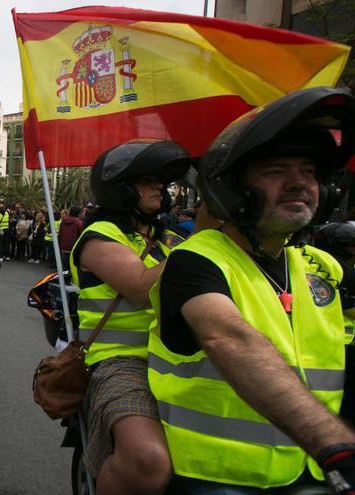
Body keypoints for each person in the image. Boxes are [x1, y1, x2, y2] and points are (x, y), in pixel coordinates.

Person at [149, 87, 355, 493]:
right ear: (235, 190)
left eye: (309, 172)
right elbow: (229, 337)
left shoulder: (319, 266)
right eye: (276, 171)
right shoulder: (197, 260)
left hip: (314, 473)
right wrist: (334, 443)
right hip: (220, 477)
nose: (299, 183)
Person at [70, 139, 190, 495]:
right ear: (120, 188)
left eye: (162, 182)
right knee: (147, 459)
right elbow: (140, 287)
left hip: (177, 358)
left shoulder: (164, 240)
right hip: (121, 363)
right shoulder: (99, 237)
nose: (159, 187)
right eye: (148, 179)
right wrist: (207, 245)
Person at [59, 206, 84, 271]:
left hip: (63, 247)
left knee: (64, 269)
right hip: (74, 249)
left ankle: (64, 281)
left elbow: (60, 234)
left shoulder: (63, 221)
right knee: (74, 269)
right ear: (78, 213)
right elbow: (81, 236)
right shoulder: (79, 223)